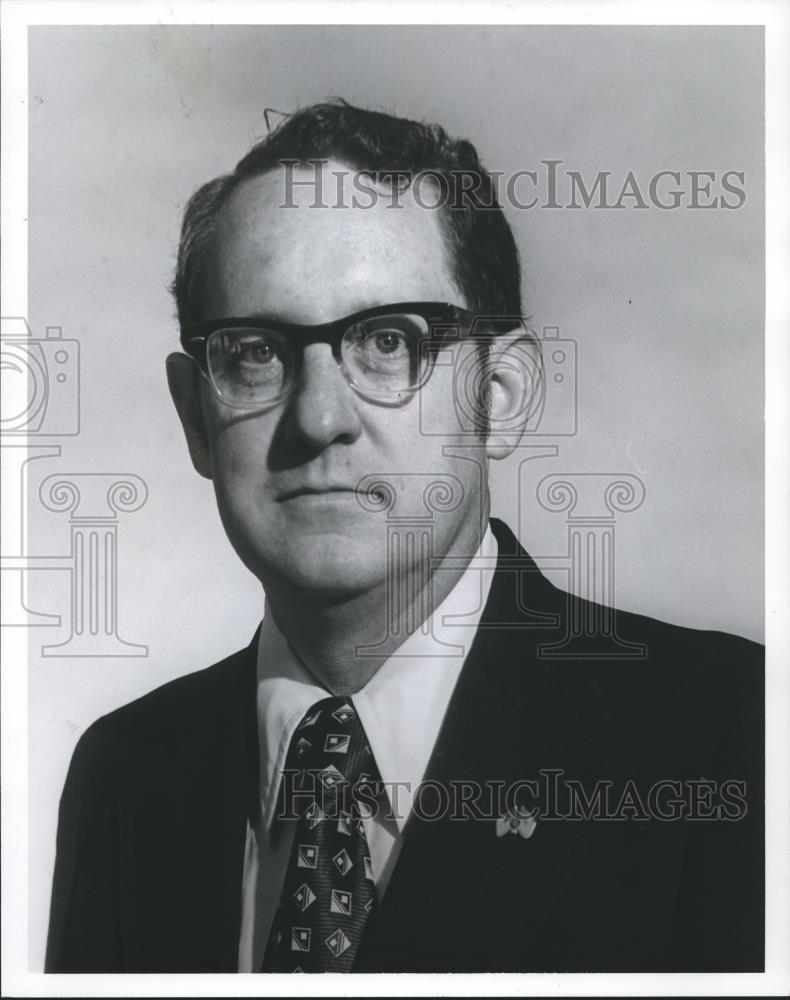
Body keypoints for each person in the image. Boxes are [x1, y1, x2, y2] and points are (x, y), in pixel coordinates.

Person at [45, 100, 763, 974]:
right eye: (257, 352)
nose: (317, 418)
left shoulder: (738, 735)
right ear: (197, 415)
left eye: (389, 342)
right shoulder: (125, 776)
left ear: (499, 394)